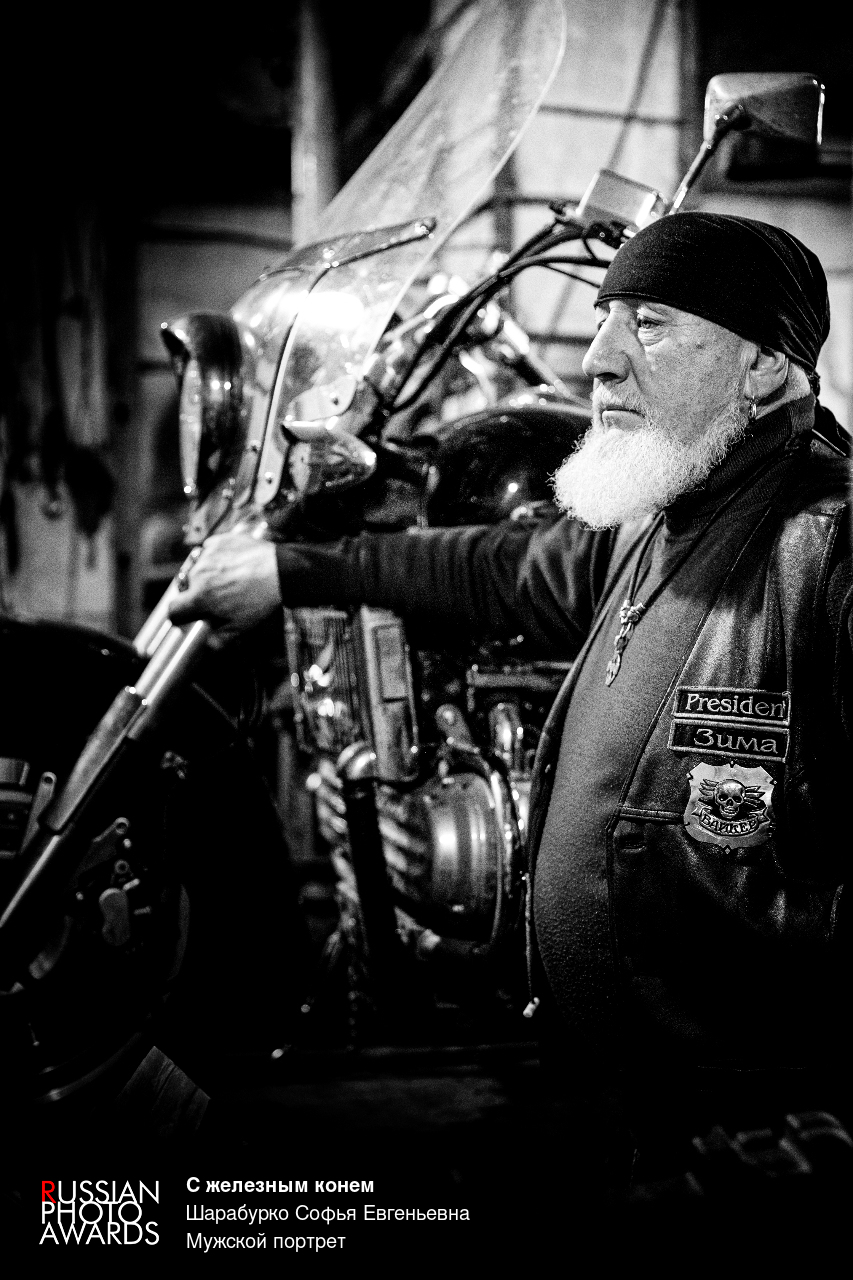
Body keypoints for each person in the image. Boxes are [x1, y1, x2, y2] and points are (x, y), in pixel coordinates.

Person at [169, 212, 852, 1191]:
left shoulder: (828, 546)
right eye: (604, 318)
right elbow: (496, 565)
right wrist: (291, 570)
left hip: (738, 1136)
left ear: (765, 365)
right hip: (613, 1109)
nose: (601, 360)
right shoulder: (657, 519)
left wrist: (808, 1128)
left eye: (651, 324)